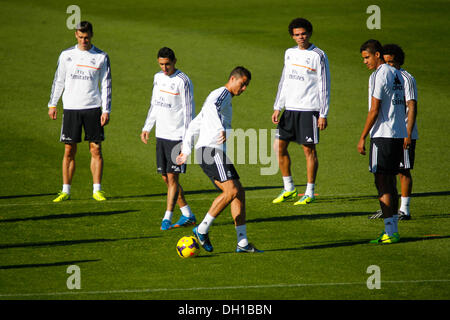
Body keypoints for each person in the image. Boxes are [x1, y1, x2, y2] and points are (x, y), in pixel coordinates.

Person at [176, 66, 262, 253]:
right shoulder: (221, 94)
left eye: (246, 85)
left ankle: (242, 242)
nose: (244, 88)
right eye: (243, 84)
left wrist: (186, 150)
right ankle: (201, 229)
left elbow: (193, 125)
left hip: (210, 152)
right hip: (211, 151)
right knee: (231, 191)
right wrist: (219, 129)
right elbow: (212, 107)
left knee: (238, 192)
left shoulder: (224, 98)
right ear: (232, 79)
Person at [48, 21, 111, 202]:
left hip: (93, 108)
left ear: (92, 36)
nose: (84, 40)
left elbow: (107, 84)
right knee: (69, 150)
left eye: (87, 37)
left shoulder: (101, 56)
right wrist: (52, 104)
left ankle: (97, 190)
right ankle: (66, 190)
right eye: (81, 37)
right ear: (76, 35)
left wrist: (106, 110)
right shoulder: (66, 55)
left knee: (96, 149)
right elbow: (58, 81)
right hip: (71, 108)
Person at [271, 17, 330, 205]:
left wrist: (323, 113)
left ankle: (310, 192)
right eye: (297, 35)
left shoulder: (318, 55)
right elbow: (284, 80)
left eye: (303, 34)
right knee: (278, 147)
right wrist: (277, 106)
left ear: (309, 33)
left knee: (308, 151)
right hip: (289, 109)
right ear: (292, 36)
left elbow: (324, 85)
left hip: (309, 109)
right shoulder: (289, 53)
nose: (301, 37)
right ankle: (289, 188)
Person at [358, 39, 410, 244]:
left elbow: (374, 109)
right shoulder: (397, 73)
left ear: (377, 55)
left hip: (383, 134)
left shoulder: (378, 75)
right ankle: (393, 230)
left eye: (367, 57)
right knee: (390, 180)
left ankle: (390, 231)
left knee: (381, 181)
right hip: (398, 133)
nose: (365, 62)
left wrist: (362, 136)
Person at [140, 47, 196, 231]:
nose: (164, 68)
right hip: (161, 135)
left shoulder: (183, 81)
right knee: (166, 178)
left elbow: (189, 113)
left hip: (176, 137)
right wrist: (147, 126)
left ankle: (167, 216)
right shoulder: (158, 78)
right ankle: (187, 214)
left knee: (172, 178)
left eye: (167, 64)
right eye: (161, 64)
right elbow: (154, 104)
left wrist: (186, 144)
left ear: (175, 61)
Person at [368, 44, 417, 220]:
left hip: (401, 133)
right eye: (385, 62)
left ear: (398, 61)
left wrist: (408, 133)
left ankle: (404, 209)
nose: (388, 65)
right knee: (387, 175)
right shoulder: (384, 76)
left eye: (391, 62)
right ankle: (389, 210)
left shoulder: (406, 78)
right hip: (391, 133)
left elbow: (411, 106)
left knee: (403, 170)